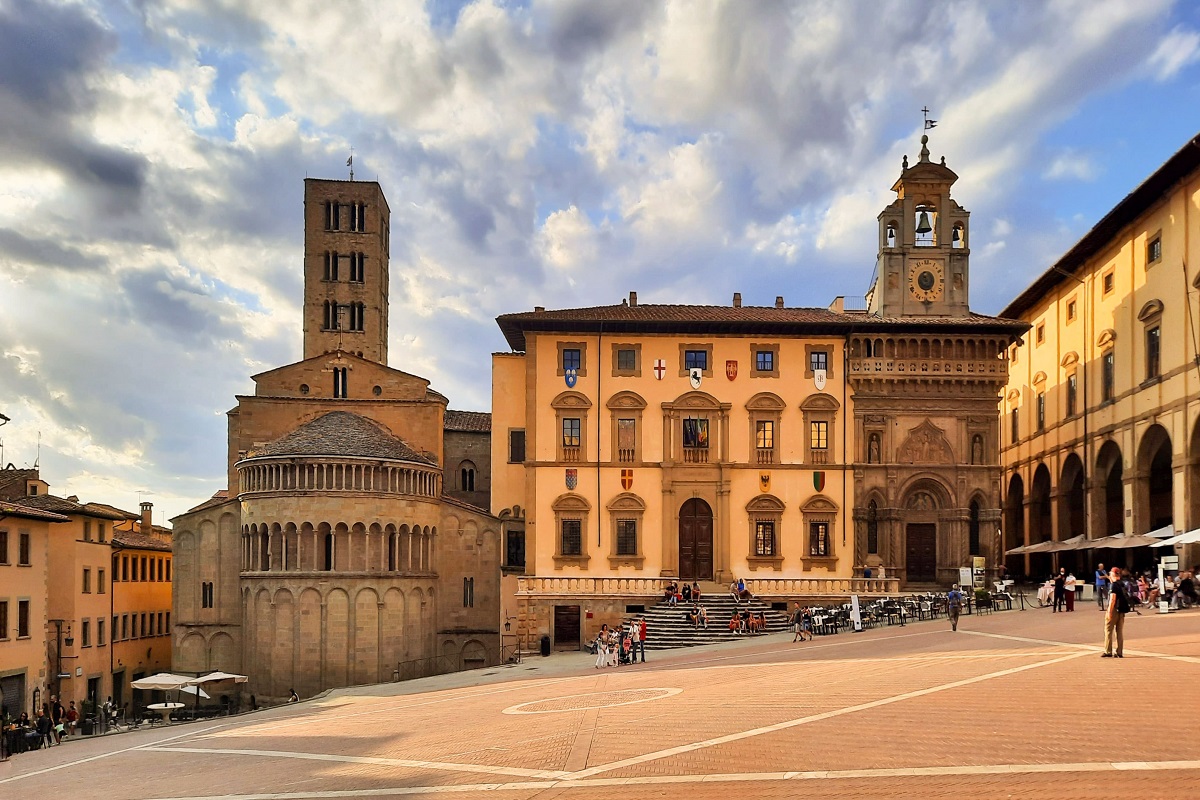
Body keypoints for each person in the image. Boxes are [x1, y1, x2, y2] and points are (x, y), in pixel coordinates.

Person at [1102, 566, 1129, 658]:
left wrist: (1109, 611)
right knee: (1119, 631)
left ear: (1113, 574)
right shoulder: (1122, 584)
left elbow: (1113, 599)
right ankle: (1119, 651)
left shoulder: (1113, 585)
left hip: (1114, 610)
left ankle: (1108, 650)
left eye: (1110, 573)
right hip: (1122, 610)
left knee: (1108, 630)